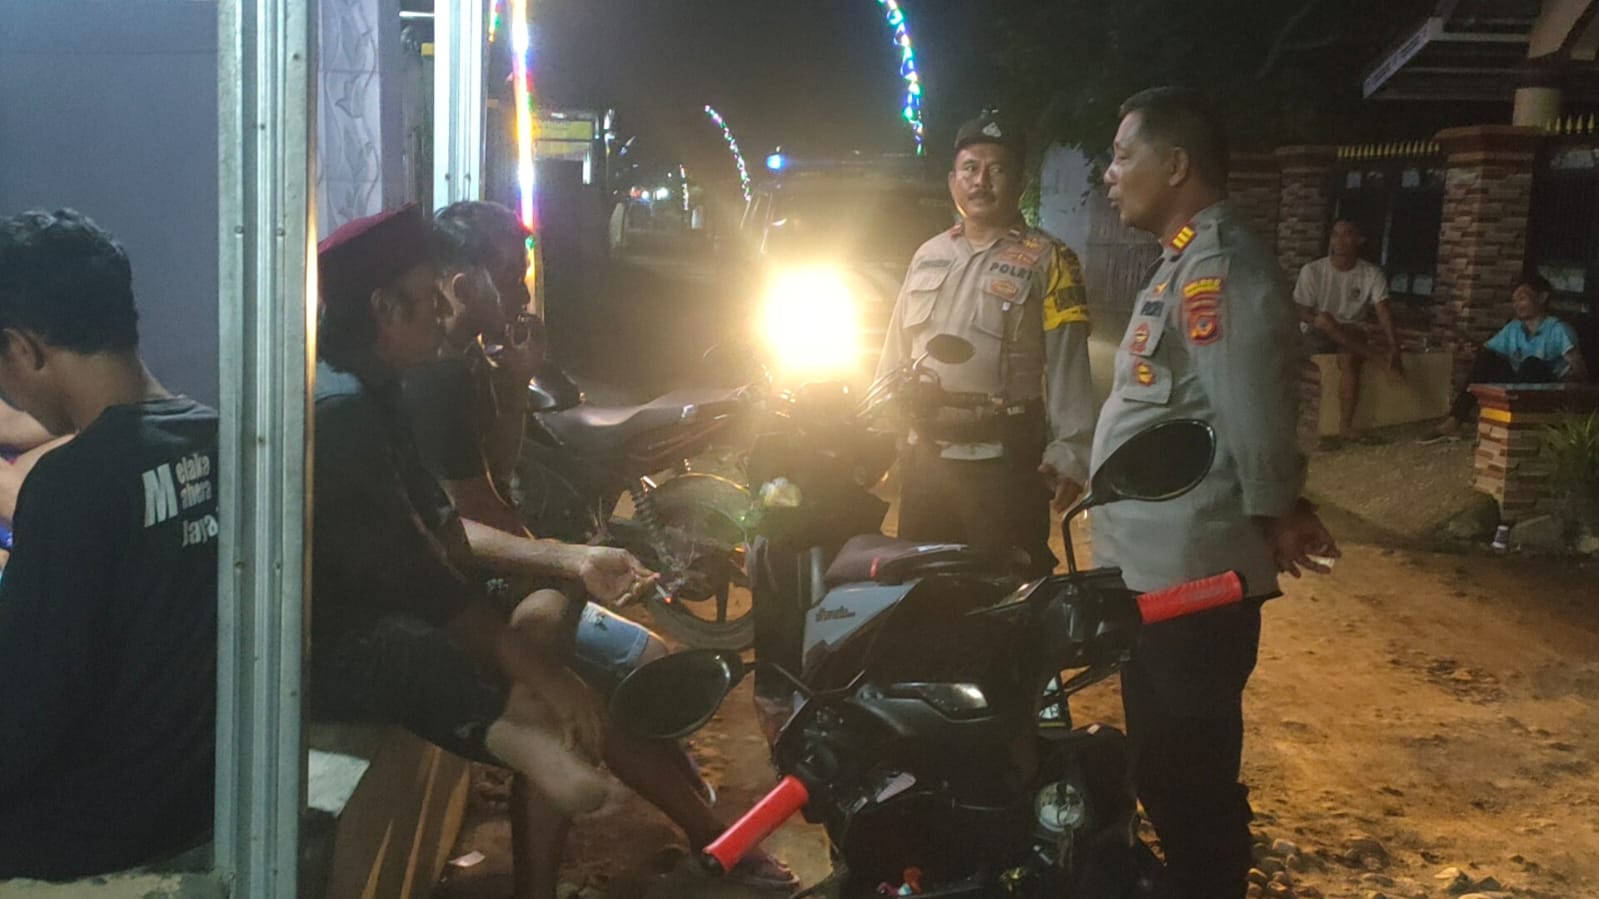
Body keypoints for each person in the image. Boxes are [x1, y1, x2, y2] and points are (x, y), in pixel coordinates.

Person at [311, 205, 791, 899]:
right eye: (430, 295)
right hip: (355, 642)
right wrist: (539, 642)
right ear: (388, 307)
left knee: (569, 643)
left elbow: (446, 528)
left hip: (416, 601)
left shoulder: (388, 384)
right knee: (566, 669)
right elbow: (427, 569)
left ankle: (658, 809)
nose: (445, 308)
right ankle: (553, 744)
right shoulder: (359, 406)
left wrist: (567, 557)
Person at [1098, 88, 1339, 899]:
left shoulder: (1217, 266)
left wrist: (1277, 510)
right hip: (1159, 569)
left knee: (1185, 772)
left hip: (1196, 577)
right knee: (1161, 765)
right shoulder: (1180, 260)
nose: (1108, 174)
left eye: (1122, 155)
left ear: (1175, 165)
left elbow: (1250, 405)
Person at [0, 209, 219, 879]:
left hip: (88, 829)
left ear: (25, 349)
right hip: (193, 798)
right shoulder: (218, 437)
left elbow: (20, 720)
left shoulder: (75, 483)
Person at [876, 112, 1095, 575]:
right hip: (927, 461)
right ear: (952, 180)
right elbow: (896, 351)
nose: (981, 181)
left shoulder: (1051, 260)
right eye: (970, 168)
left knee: (1007, 591)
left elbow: (1068, 365)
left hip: (1006, 467)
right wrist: (877, 431)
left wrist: (1072, 451)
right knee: (923, 590)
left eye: (996, 170)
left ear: (1020, 182)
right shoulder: (928, 254)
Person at [1427, 273, 1589, 441]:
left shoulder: (1558, 329)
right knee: (1487, 358)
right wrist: (1474, 351)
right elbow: (1488, 353)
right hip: (1518, 386)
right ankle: (1455, 419)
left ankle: (1514, 423)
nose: (1517, 305)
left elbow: (1578, 371)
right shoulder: (1514, 328)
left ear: (1542, 297)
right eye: (1514, 300)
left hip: (1547, 391)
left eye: (1522, 298)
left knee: (1532, 364)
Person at [1294, 219, 1402, 445]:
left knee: (1350, 358)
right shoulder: (1313, 270)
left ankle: (1345, 427)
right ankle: (1380, 361)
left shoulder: (1371, 273)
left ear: (1359, 240)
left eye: (1347, 234)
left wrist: (1394, 345)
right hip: (1317, 330)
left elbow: (1383, 312)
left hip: (1351, 332)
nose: (1340, 241)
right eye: (1335, 234)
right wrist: (1318, 320)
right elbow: (1301, 311)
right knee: (1326, 320)